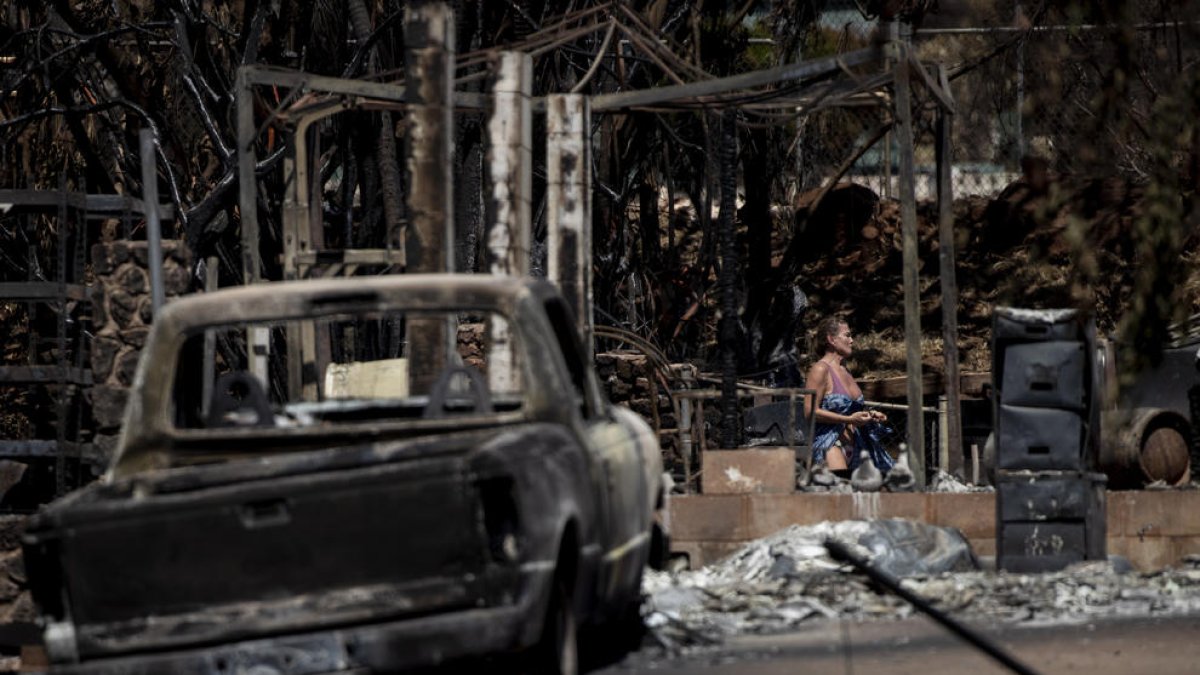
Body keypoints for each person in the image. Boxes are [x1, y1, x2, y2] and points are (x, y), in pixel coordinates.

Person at [804, 316, 895, 477]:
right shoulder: (820, 369)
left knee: (876, 486)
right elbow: (810, 412)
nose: (852, 340)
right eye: (847, 335)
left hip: (858, 442)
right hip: (831, 444)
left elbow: (849, 409)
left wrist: (869, 415)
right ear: (831, 339)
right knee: (842, 489)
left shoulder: (845, 370)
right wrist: (849, 420)